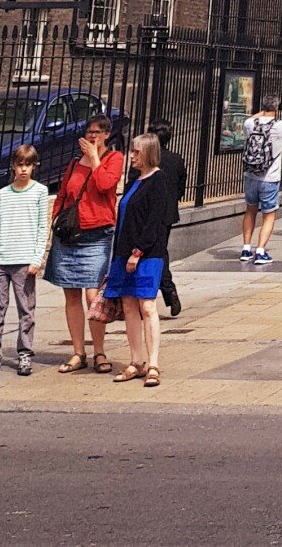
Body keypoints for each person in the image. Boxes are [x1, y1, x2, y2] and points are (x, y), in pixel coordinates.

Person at [45, 112, 124, 374]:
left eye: (97, 132)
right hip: (70, 235)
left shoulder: (114, 158)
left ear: (106, 135)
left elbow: (104, 184)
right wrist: (55, 220)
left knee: (93, 295)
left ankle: (99, 351)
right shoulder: (74, 162)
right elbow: (64, 193)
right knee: (70, 293)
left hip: (97, 234)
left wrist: (94, 158)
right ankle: (78, 352)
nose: (92, 136)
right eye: (89, 131)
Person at [105, 131, 176, 387]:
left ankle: (153, 362)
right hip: (124, 252)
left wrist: (138, 251)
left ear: (147, 152)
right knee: (128, 306)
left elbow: (154, 220)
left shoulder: (158, 180)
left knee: (147, 306)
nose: (131, 156)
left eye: (136, 151)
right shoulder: (135, 179)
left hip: (147, 254)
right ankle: (136, 360)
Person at [0, 143, 48, 377]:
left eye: (28, 165)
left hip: (24, 261)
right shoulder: (3, 194)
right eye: (20, 165)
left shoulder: (39, 191)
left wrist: (37, 258)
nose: (24, 170)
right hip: (0, 260)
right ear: (13, 167)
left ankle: (25, 352)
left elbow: (41, 228)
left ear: (34, 166)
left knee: (26, 310)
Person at [240, 95, 282, 264]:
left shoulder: (250, 124)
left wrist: (262, 111)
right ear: (276, 109)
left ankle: (246, 249)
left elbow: (249, 119)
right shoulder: (281, 126)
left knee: (250, 210)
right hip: (269, 177)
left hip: (250, 175)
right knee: (269, 215)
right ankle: (260, 251)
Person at [141, 118, 187, 317]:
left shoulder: (146, 160)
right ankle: (165, 291)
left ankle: (166, 289)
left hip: (146, 214)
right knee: (158, 252)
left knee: (153, 254)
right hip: (166, 214)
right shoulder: (175, 159)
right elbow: (180, 189)